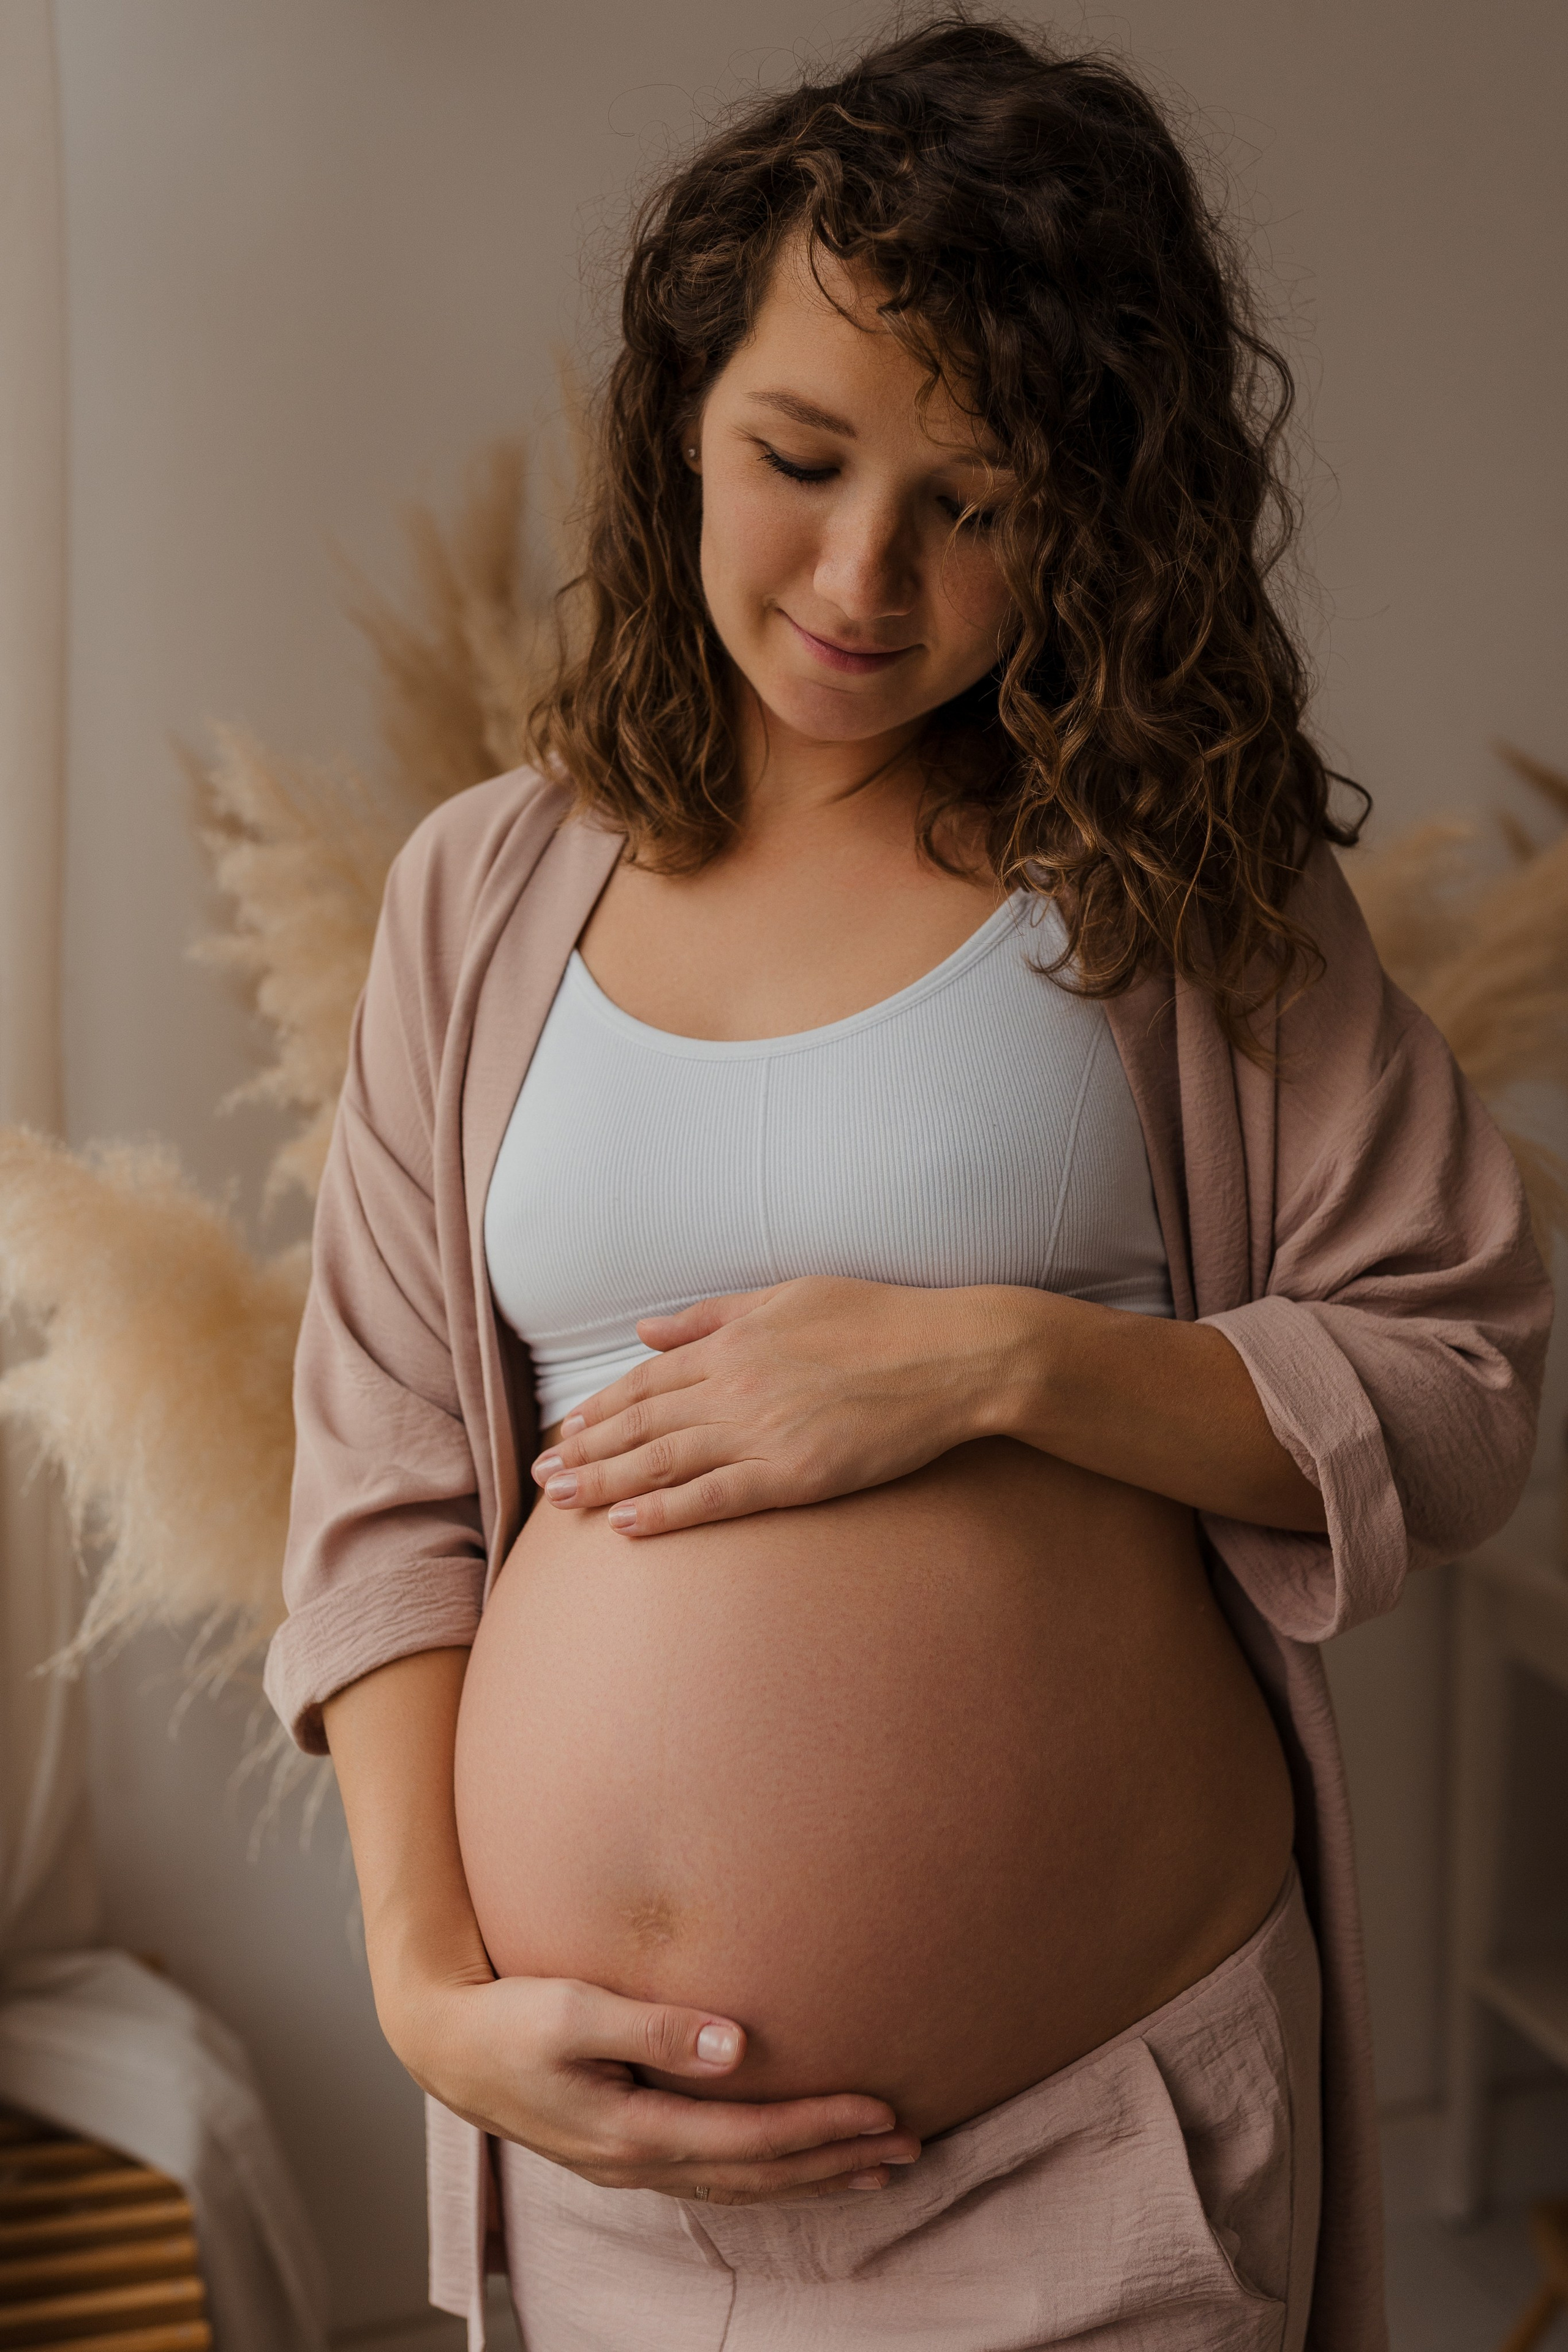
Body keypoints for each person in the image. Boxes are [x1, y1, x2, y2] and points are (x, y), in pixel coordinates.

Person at [263, 18, 1552, 2351]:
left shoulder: (1180, 883)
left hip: (1096, 2155)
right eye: (798, 455)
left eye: (977, 499)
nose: (867, 573)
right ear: (677, 418)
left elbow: (1452, 1384)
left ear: (1098, 512)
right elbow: (376, 1499)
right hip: (601, 2184)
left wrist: (995, 1366)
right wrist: (425, 1992)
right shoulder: (480, 893)